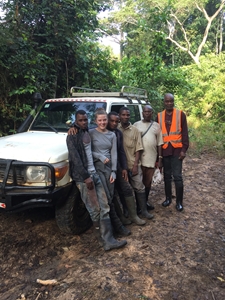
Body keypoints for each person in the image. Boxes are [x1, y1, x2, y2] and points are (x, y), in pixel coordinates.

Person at [66, 110, 127, 251]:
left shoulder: (86, 131)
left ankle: (109, 240)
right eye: (80, 120)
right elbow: (75, 158)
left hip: (95, 174)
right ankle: (102, 240)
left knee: (104, 205)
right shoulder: (72, 136)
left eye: (85, 120)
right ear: (76, 121)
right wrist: (86, 177)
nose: (83, 122)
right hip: (84, 178)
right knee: (94, 210)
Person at [89, 108, 131, 236]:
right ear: (96, 121)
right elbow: (87, 152)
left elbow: (114, 154)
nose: (102, 122)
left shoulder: (112, 135)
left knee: (110, 197)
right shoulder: (90, 133)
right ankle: (115, 227)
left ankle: (112, 227)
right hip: (97, 168)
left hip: (109, 169)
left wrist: (113, 172)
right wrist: (100, 157)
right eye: (100, 120)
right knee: (105, 198)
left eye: (104, 120)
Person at [107, 112, 146, 226]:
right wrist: (74, 127)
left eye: (116, 121)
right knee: (112, 193)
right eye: (112, 121)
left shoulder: (118, 133)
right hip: (105, 168)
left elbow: (121, 151)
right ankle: (121, 217)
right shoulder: (100, 132)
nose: (114, 123)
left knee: (126, 189)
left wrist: (124, 168)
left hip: (118, 167)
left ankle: (133, 215)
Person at [118, 107, 154, 220]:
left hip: (132, 164)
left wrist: (135, 166)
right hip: (120, 167)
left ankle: (143, 211)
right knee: (123, 190)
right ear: (119, 116)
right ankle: (127, 211)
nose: (125, 117)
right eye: (123, 115)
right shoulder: (115, 129)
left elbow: (139, 149)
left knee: (139, 187)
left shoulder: (135, 130)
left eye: (127, 115)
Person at [156, 93, 189, 212]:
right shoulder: (159, 116)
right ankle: (168, 198)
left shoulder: (181, 115)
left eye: (171, 101)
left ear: (174, 102)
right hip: (165, 151)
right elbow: (157, 136)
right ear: (164, 102)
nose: (169, 103)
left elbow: (185, 133)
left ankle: (179, 202)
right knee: (167, 177)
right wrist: (158, 157)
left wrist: (184, 150)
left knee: (178, 177)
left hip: (177, 150)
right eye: (167, 101)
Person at [133, 105, 164, 210]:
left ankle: (144, 203)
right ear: (142, 113)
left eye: (149, 112)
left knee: (147, 183)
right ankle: (138, 205)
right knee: (138, 183)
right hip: (139, 159)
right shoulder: (136, 125)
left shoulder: (157, 126)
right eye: (145, 112)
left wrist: (160, 159)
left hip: (151, 159)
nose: (147, 114)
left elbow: (160, 143)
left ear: (152, 113)